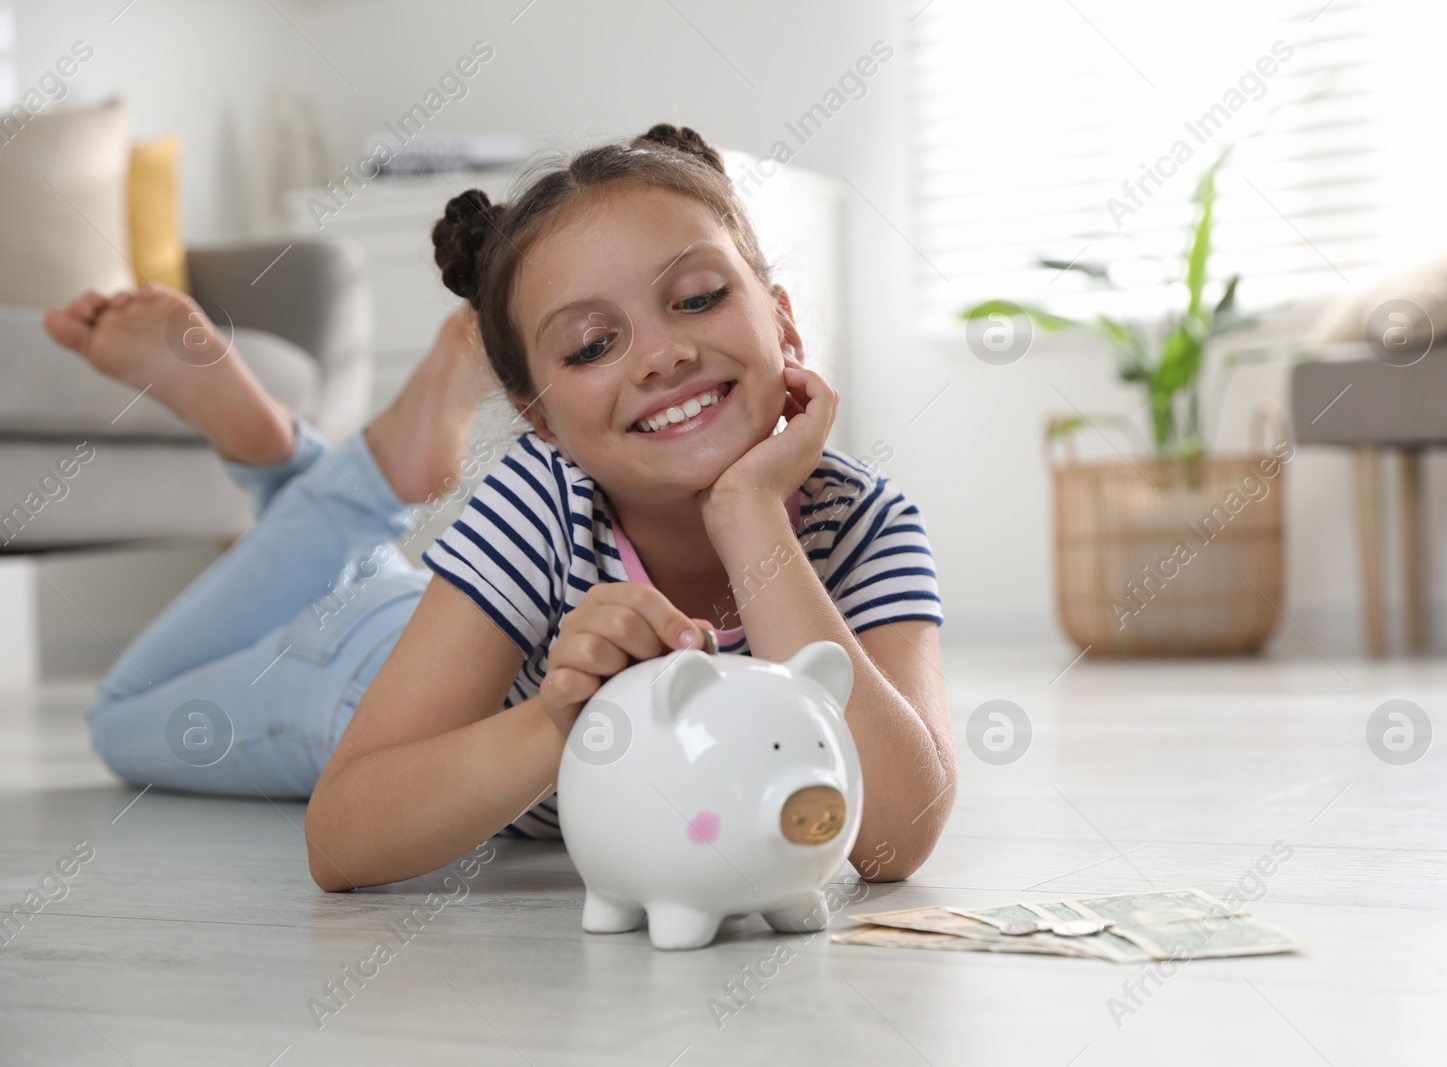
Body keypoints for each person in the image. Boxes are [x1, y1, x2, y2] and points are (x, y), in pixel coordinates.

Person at [45, 123, 956, 891]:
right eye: (594, 343)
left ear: (785, 320)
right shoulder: (545, 496)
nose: (660, 355)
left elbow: (893, 836)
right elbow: (342, 841)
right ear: (538, 419)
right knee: (119, 716)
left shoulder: (867, 525)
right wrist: (561, 718)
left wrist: (751, 514)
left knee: (375, 584)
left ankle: (315, 471)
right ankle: (313, 467)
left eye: (701, 297)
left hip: (440, 613)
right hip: (346, 671)